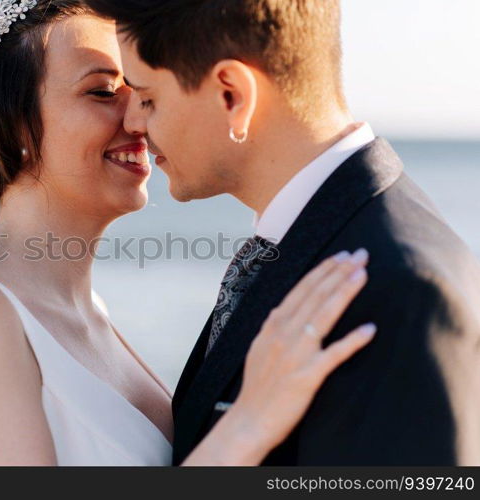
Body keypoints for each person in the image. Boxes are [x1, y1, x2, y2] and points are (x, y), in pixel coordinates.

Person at [0, 0, 377, 466]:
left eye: (138, 89)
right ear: (10, 127)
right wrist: (246, 425)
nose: (139, 118)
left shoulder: (90, 315)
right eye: (101, 91)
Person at [85, 0, 480, 465]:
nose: (133, 123)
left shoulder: (398, 290)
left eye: (148, 98)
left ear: (232, 94)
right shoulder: (315, 244)